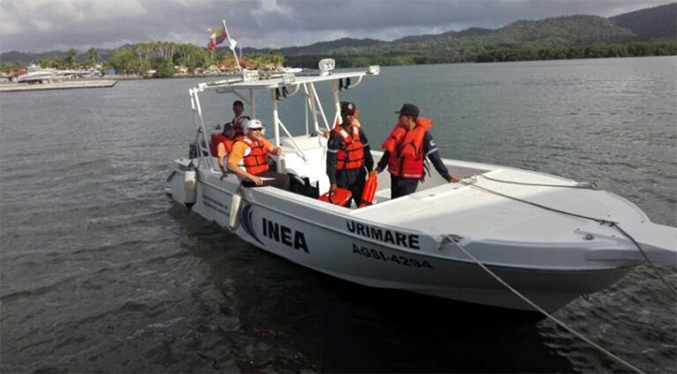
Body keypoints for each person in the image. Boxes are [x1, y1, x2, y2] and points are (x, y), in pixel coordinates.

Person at [374, 103, 461, 199]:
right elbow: (388, 153)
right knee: (394, 201)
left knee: (403, 204)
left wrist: (448, 177)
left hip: (410, 180)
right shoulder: (398, 133)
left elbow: (435, 158)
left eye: (401, 116)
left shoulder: (424, 136)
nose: (398, 118)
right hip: (395, 177)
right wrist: (378, 170)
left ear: (408, 118)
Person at [326, 102, 374, 207]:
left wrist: (370, 169)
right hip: (343, 175)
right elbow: (331, 161)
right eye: (348, 114)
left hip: (359, 173)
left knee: (363, 202)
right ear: (342, 115)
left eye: (352, 114)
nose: (350, 117)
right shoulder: (336, 135)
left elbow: (366, 151)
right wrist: (332, 181)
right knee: (344, 205)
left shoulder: (359, 131)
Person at [227, 119, 290, 190]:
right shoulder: (240, 145)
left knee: (289, 176)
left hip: (261, 173)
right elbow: (230, 166)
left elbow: (271, 148)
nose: (258, 132)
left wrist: (276, 150)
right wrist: (251, 177)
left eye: (259, 129)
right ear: (248, 130)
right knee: (284, 179)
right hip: (249, 178)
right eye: (255, 130)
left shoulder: (260, 140)